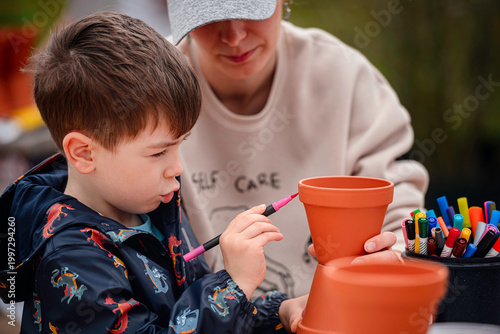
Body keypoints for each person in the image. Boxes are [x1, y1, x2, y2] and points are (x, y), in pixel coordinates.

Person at [0, 12, 307, 333]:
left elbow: (182, 309)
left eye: (179, 146)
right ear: (84, 153)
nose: (176, 167)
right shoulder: (71, 259)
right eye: (159, 152)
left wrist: (277, 312)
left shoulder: (151, 204)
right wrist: (233, 286)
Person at [168, 0, 429, 297]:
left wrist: (392, 253)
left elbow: (397, 201)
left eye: (249, 12)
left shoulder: (342, 76)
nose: (234, 36)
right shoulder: (152, 85)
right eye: (210, 17)